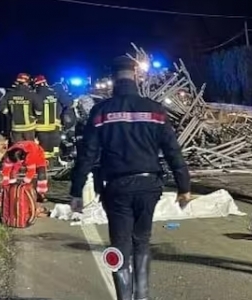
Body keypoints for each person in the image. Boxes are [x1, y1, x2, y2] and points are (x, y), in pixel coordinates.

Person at [69, 56, 191, 300]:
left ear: (113, 79)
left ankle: (125, 297)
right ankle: (142, 296)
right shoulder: (155, 110)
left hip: (117, 189)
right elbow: (172, 150)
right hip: (149, 186)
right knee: (142, 240)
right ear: (136, 76)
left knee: (120, 245)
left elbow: (87, 154)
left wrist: (76, 191)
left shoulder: (101, 112)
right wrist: (183, 186)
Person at [1, 139, 50, 205]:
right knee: (12, 172)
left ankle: (41, 193)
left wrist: (25, 182)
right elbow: (6, 170)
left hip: (37, 154)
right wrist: (6, 184)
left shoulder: (30, 155)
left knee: (41, 173)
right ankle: (11, 190)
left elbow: (31, 172)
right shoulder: (9, 156)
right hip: (20, 155)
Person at [0, 73, 42, 143]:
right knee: (29, 148)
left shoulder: (9, 94)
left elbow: (2, 107)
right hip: (29, 128)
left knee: (17, 149)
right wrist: (36, 117)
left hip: (16, 128)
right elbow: (39, 109)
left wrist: (9, 115)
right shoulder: (32, 94)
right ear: (27, 83)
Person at [33, 75, 64, 161]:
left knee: (44, 147)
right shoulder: (53, 93)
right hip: (54, 125)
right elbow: (60, 107)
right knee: (55, 145)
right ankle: (56, 160)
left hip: (41, 126)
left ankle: (44, 163)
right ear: (45, 82)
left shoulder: (35, 95)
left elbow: (35, 111)